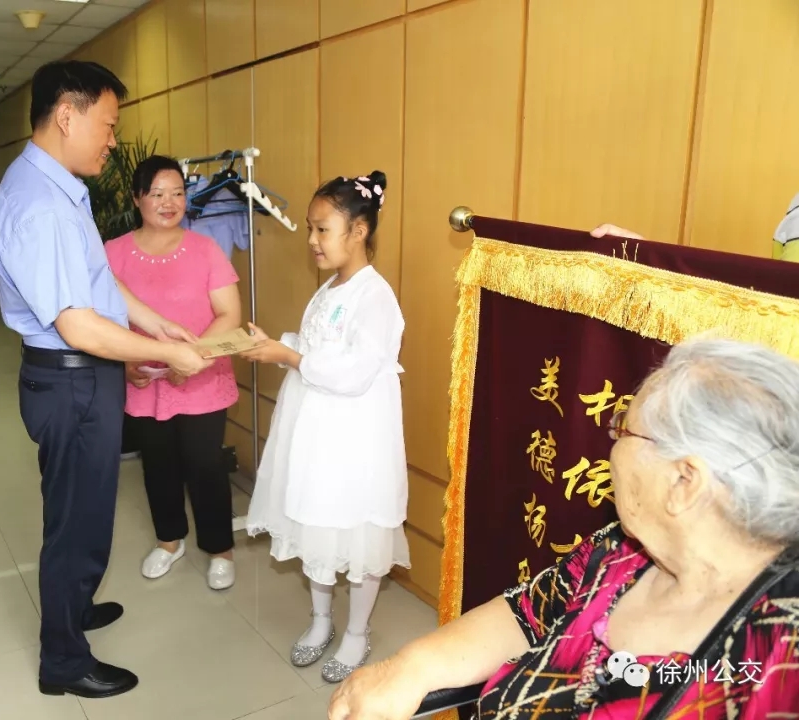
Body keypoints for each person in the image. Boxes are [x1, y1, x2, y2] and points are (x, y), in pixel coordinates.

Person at [328, 337, 799, 720]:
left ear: (684, 481)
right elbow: (526, 613)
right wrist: (409, 667)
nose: (611, 446)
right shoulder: (621, 551)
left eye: (625, 430)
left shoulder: (780, 659)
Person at [0, 60, 212, 700]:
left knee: (88, 512)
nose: (114, 140)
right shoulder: (42, 206)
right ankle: (62, 660)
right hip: (71, 380)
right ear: (67, 115)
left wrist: (156, 325)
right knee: (74, 522)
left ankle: (75, 607)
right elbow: (79, 324)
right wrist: (166, 354)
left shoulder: (59, 187)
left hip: (82, 377)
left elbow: (99, 281)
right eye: (108, 125)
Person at [242, 172, 410, 683]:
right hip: (316, 432)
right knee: (313, 520)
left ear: (358, 231)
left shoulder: (375, 296)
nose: (312, 240)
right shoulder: (329, 288)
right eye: (311, 229)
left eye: (322, 229)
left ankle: (356, 633)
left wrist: (290, 356)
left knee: (358, 531)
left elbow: (355, 371)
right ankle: (320, 620)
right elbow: (316, 348)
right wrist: (278, 347)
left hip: (353, 439)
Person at [104, 155, 243, 590]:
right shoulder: (112, 253)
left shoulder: (205, 249)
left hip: (202, 377)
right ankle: (169, 540)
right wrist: (126, 362)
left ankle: (219, 549)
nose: (169, 202)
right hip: (143, 379)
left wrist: (191, 359)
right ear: (136, 199)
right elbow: (102, 321)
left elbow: (229, 314)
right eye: (157, 193)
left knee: (205, 464)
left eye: (178, 193)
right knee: (158, 465)